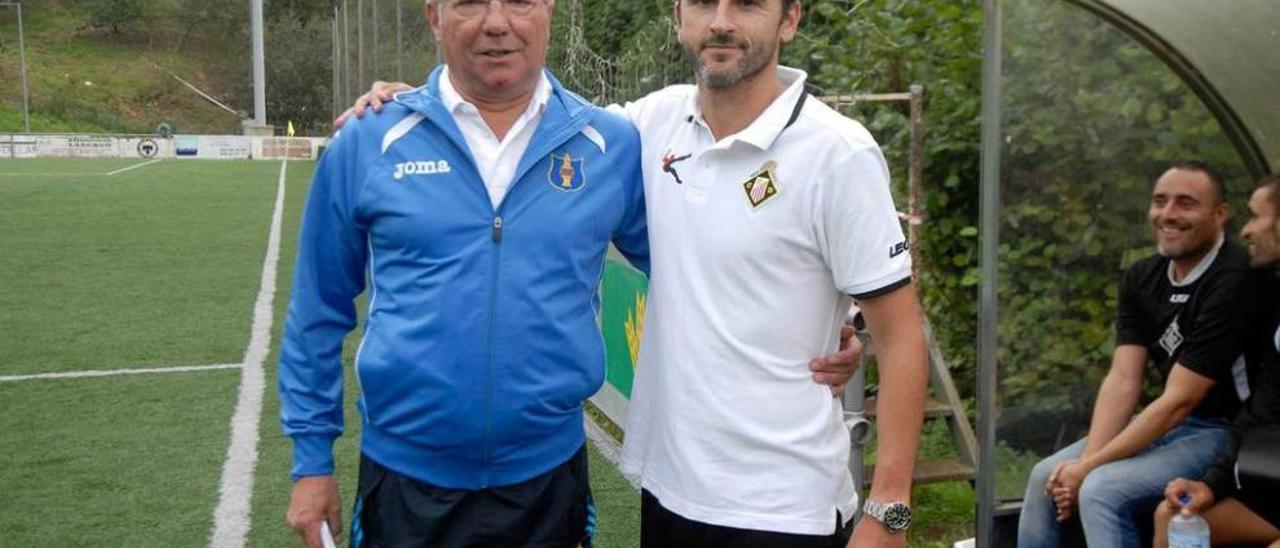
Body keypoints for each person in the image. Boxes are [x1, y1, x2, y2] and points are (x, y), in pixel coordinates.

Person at [342, 1, 930, 546]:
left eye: (748, 3)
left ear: (790, 19)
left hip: (783, 506)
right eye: (703, 2)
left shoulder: (837, 151)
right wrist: (421, 101)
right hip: (668, 490)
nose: (722, 21)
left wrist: (889, 510)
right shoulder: (646, 127)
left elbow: (901, 336)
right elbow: (524, 110)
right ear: (679, 16)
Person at [1017, 161, 1254, 548]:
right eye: (1160, 201)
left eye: (1186, 203)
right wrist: (1081, 465)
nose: (1168, 214)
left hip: (1223, 430)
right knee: (1046, 476)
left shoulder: (1235, 279)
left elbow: (1181, 399)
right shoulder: (1143, 276)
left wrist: (1090, 470)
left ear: (1220, 213)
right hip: (1169, 425)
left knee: (1102, 489)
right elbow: (1123, 380)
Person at [1153, 175, 1280, 548]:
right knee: (1173, 518)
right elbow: (1262, 409)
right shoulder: (1270, 294)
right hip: (1269, 477)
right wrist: (1211, 483)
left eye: (1256, 216)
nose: (1246, 230)